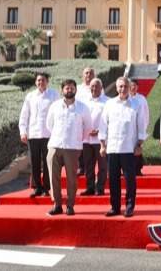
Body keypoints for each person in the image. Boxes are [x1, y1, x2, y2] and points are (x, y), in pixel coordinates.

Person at [100, 76, 148, 217]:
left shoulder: (136, 105)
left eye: (125, 86)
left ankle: (129, 206)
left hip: (129, 148)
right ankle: (115, 207)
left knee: (130, 180)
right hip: (113, 148)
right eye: (120, 86)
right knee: (113, 179)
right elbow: (103, 126)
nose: (123, 89)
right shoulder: (109, 104)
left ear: (129, 88)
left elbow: (141, 126)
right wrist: (102, 145)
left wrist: (139, 144)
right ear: (116, 88)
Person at [45, 79, 92, 216]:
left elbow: (88, 127)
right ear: (62, 90)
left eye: (71, 88)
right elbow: (49, 125)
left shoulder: (83, 107)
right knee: (53, 177)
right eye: (66, 88)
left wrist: (77, 139)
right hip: (54, 146)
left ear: (76, 90)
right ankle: (57, 204)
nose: (69, 90)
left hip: (72, 147)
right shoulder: (54, 106)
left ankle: (70, 205)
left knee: (72, 178)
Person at [19, 73, 59, 198]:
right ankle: (37, 187)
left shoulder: (54, 95)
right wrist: (23, 131)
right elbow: (24, 115)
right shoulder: (30, 96)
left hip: (48, 134)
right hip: (33, 134)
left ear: (47, 81)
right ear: (36, 82)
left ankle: (47, 187)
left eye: (43, 80)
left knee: (48, 162)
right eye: (38, 80)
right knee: (34, 162)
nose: (40, 82)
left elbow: (58, 114)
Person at [81, 78, 109, 196]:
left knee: (102, 165)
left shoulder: (108, 102)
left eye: (97, 86)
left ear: (101, 88)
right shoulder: (84, 102)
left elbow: (109, 120)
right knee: (88, 165)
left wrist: (99, 131)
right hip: (87, 139)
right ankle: (90, 187)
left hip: (101, 139)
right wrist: (87, 130)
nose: (94, 88)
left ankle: (100, 187)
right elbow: (81, 119)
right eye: (92, 86)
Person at [129, 80, 147, 176]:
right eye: (131, 85)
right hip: (128, 129)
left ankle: (137, 169)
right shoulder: (126, 98)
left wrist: (144, 127)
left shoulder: (142, 99)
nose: (133, 87)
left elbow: (146, 114)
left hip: (138, 128)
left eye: (135, 85)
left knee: (138, 148)